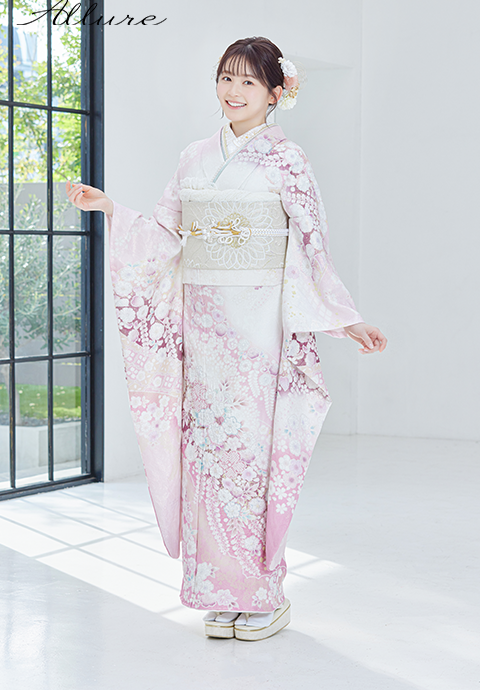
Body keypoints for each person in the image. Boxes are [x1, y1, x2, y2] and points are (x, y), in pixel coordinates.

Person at [66, 36, 387, 642]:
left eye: (247, 82)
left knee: (250, 456)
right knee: (207, 454)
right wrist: (110, 208)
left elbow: (313, 249)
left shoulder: (288, 161)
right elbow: (166, 235)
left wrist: (347, 320)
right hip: (204, 329)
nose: (233, 92)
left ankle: (264, 594)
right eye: (226, 78)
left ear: (276, 92)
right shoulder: (193, 157)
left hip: (259, 328)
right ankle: (220, 588)